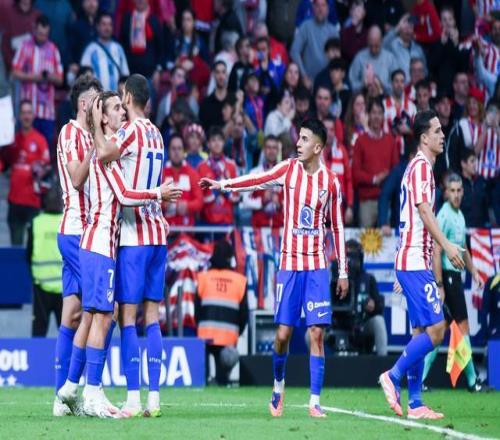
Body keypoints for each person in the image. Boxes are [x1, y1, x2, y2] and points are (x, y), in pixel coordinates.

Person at [200, 118, 349, 418]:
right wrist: (223, 185)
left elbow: (338, 227)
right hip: (290, 265)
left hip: (317, 266)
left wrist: (343, 270)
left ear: (317, 147)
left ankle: (314, 401)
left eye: (304, 139)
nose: (298, 144)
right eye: (299, 138)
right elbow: (256, 180)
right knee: (282, 334)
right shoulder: (288, 170)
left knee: (316, 333)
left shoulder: (331, 182)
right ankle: (278, 387)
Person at [58, 89, 181, 418]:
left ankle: (72, 387)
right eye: (114, 108)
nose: (121, 112)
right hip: (102, 242)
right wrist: (158, 193)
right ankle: (93, 393)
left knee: (95, 315)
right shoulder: (112, 152)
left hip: (103, 241)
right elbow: (124, 195)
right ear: (102, 117)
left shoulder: (107, 148)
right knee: (104, 316)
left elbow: (83, 179)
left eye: (121, 106)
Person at [90, 74, 175, 417]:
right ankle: (154, 398)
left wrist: (96, 122)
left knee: (127, 317)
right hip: (158, 236)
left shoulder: (131, 131)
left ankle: (134, 398)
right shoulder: (157, 134)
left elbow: (104, 152)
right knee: (152, 316)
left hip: (134, 236)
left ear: (126, 98)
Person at [379, 110, 466, 420]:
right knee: (438, 330)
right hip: (414, 261)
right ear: (424, 137)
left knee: (419, 331)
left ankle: (415, 404)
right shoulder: (420, 168)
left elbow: (411, 220)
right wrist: (447, 246)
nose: (442, 135)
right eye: (437, 131)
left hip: (413, 261)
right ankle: (392, 375)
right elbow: (425, 213)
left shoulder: (421, 168)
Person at [52, 75, 102, 417]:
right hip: (76, 232)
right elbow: (76, 177)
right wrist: (98, 145)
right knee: (101, 310)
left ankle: (61, 400)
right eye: (97, 101)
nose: (100, 107)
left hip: (84, 232)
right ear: (84, 105)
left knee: (71, 314)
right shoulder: (71, 133)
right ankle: (85, 391)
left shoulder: (88, 135)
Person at [422, 173, 486, 392]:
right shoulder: (444, 215)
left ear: (463, 192)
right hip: (448, 279)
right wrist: (440, 285)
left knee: (439, 332)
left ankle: (421, 379)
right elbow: (436, 251)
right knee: (462, 327)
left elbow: (463, 248)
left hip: (455, 278)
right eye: (453, 191)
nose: (456, 195)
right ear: (446, 193)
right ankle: (472, 381)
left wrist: (474, 271)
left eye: (459, 190)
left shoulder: (459, 215)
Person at [196, 239, 248, 385]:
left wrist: (199, 326)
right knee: (223, 380)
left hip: (205, 336)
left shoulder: (203, 278)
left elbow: (196, 310)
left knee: (202, 381)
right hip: (228, 338)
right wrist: (238, 332)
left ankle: (206, 382)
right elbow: (244, 314)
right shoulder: (240, 281)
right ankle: (223, 382)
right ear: (230, 258)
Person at [12, 14, 63, 148]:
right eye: (40, 34)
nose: (42, 37)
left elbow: (60, 79)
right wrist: (35, 77)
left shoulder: (53, 49)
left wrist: (48, 77)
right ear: (34, 29)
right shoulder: (25, 46)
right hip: (28, 110)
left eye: (45, 35)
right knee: (25, 149)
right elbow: (14, 72)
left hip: (46, 112)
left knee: (45, 149)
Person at [6, 100, 50, 245]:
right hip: (14, 201)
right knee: (15, 248)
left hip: (33, 202)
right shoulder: (11, 140)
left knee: (33, 248)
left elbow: (46, 167)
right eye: (23, 113)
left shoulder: (40, 140)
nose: (26, 116)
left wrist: (40, 170)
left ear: (33, 115)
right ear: (19, 116)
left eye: (29, 113)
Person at [353, 97, 399, 228]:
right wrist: (374, 179)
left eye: (379, 113)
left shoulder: (390, 141)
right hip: (366, 202)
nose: (376, 116)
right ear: (368, 115)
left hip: (386, 201)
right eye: (373, 112)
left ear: (383, 116)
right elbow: (355, 174)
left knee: (386, 240)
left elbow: (396, 171)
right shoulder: (360, 141)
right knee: (366, 240)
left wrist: (386, 177)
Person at [29, 186, 63, 337]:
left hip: (41, 287)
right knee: (68, 333)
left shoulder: (36, 223)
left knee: (39, 331)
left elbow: (28, 254)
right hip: (66, 289)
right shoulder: (67, 222)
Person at [346, 240, 387, 356]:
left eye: (354, 258)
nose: (351, 262)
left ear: (360, 259)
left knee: (379, 321)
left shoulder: (368, 279)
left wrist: (374, 306)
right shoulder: (335, 280)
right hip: (340, 326)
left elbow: (379, 306)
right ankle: (316, 364)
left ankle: (383, 363)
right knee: (311, 334)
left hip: (362, 324)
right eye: (348, 259)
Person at [290, 0, 339, 89]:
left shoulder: (333, 31)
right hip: (308, 83)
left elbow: (337, 59)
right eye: (317, 5)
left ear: (328, 9)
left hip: (328, 83)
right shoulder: (305, 27)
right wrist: (304, 76)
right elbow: (294, 51)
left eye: (323, 5)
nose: (320, 9)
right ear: (313, 8)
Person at [197, 127, 240, 225]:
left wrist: (225, 190)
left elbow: (237, 197)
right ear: (208, 144)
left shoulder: (231, 166)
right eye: (213, 140)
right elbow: (200, 198)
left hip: (227, 221)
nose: (217, 143)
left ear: (223, 143)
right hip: (207, 221)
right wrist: (216, 190)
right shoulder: (201, 167)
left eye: (219, 140)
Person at [240, 135, 284, 228]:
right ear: (264, 150)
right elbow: (245, 201)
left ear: (278, 151)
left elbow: (293, 202)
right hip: (259, 228)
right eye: (268, 147)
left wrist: (280, 203)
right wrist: (262, 201)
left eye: (274, 148)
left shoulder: (286, 174)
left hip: (280, 228)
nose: (271, 151)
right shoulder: (254, 173)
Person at [80, 12, 130, 92]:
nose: (107, 28)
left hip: (116, 97)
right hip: (97, 96)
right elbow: (85, 73)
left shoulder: (119, 48)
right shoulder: (91, 49)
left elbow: (125, 74)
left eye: (110, 25)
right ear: (97, 27)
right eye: (104, 24)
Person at [162, 134, 203, 227]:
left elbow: (199, 202)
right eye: (173, 149)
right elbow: (153, 200)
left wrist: (187, 206)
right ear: (168, 151)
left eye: (179, 148)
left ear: (184, 151)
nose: (176, 152)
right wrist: (164, 204)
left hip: (187, 231)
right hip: (165, 231)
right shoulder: (161, 174)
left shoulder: (192, 174)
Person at [348, 25, 395, 93]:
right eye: (371, 46)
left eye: (376, 46)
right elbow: (352, 82)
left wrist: (381, 85)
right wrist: (363, 85)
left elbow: (396, 84)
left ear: (381, 41)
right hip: (364, 96)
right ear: (367, 41)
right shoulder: (360, 57)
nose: (373, 49)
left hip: (385, 97)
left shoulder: (390, 58)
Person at [383, 69, 416, 157]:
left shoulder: (412, 106)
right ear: (392, 83)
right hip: (387, 151)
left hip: (408, 153)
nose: (399, 84)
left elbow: (417, 131)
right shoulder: (383, 105)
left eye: (402, 81)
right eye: (396, 81)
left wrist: (408, 131)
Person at [459, 149, 489, 227]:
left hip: (481, 229)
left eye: (476, 161)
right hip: (464, 228)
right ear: (463, 164)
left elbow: (485, 206)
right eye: (472, 161)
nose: (475, 164)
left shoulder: (481, 181)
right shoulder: (457, 183)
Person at [199, 61, 228, 133]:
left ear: (227, 74)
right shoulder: (205, 104)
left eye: (223, 72)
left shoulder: (233, 100)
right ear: (213, 75)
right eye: (218, 72)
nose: (221, 76)